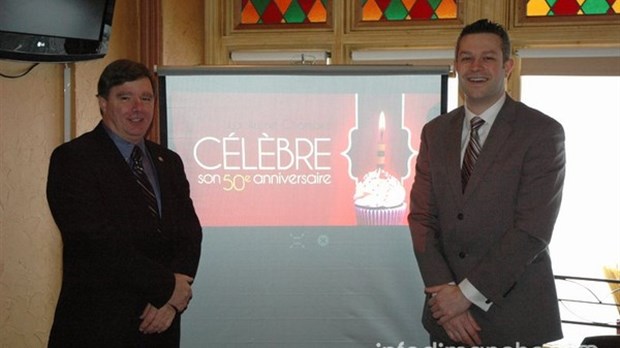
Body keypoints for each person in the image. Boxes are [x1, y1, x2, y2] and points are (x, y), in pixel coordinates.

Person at [408, 19, 565, 346]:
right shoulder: (434, 133)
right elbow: (422, 218)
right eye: (466, 58)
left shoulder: (541, 132)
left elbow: (532, 229)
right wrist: (445, 297)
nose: (476, 67)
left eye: (488, 58)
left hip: (513, 318)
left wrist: (464, 295)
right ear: (456, 66)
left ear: (507, 66)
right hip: (446, 320)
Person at [46, 59, 203, 347]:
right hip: (96, 329)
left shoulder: (168, 161)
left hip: (161, 327)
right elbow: (94, 243)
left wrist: (170, 303)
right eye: (125, 97)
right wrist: (167, 289)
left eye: (145, 98)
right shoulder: (73, 159)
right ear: (103, 103)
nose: (138, 108)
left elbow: (189, 234)